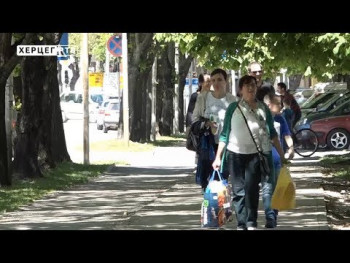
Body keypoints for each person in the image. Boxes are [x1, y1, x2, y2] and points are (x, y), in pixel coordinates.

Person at [212, 75, 286, 230]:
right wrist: (218, 157)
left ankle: (251, 222)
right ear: (241, 90)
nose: (251, 88)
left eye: (253, 85)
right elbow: (224, 134)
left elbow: (272, 132)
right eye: (247, 85)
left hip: (255, 155)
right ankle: (241, 223)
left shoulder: (263, 108)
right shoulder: (233, 108)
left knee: (251, 190)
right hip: (235, 155)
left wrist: (281, 153)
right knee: (239, 192)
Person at [192, 68, 236, 191]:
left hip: (227, 145)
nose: (216, 83)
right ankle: (209, 206)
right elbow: (195, 119)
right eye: (213, 80)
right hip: (208, 145)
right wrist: (207, 123)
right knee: (208, 182)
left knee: (222, 179)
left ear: (225, 81)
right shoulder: (204, 97)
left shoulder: (232, 100)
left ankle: (222, 207)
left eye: (220, 80)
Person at [263, 94, 294, 228]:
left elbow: (286, 134)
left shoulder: (280, 119)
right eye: (278, 103)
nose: (281, 106)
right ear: (269, 104)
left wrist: (291, 148)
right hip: (263, 158)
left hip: (277, 159)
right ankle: (270, 216)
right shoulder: (260, 119)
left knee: (276, 188)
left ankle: (274, 214)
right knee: (267, 188)